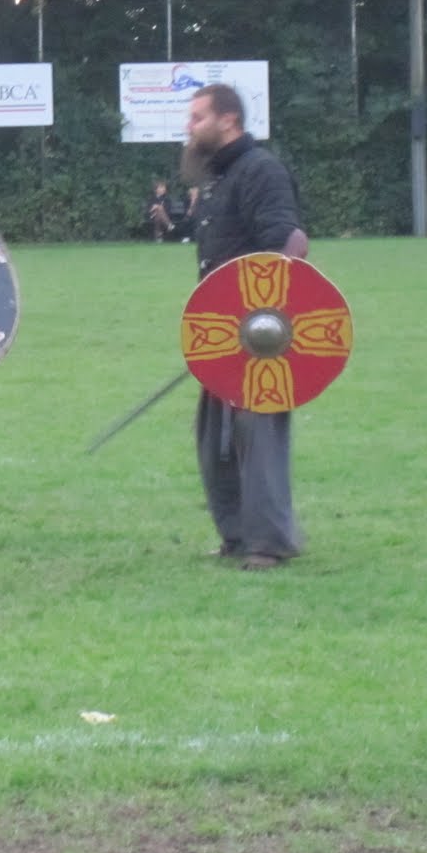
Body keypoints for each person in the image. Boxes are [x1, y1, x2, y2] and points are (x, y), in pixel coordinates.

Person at [182, 83, 309, 571]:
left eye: (197, 118)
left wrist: (257, 319)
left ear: (229, 120)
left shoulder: (261, 171)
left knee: (256, 435)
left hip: (259, 334)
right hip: (221, 332)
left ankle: (268, 542)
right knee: (215, 435)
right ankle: (236, 534)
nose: (189, 128)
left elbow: (288, 244)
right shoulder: (222, 177)